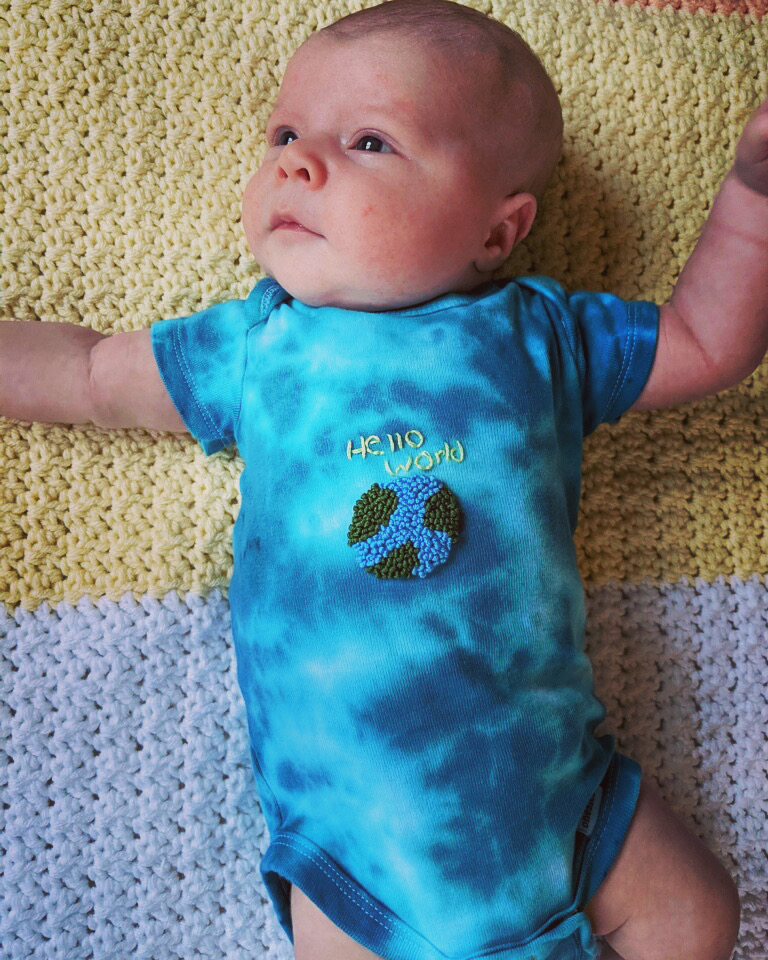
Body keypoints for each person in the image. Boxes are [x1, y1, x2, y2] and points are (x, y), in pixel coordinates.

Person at [1, 1, 765, 957]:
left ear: (499, 232)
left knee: (699, 920)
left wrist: (752, 199)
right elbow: (84, 373)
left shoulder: (541, 335)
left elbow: (702, 343)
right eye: (285, 134)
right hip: (357, 849)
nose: (297, 162)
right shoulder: (258, 347)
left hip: (562, 796)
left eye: (368, 141)